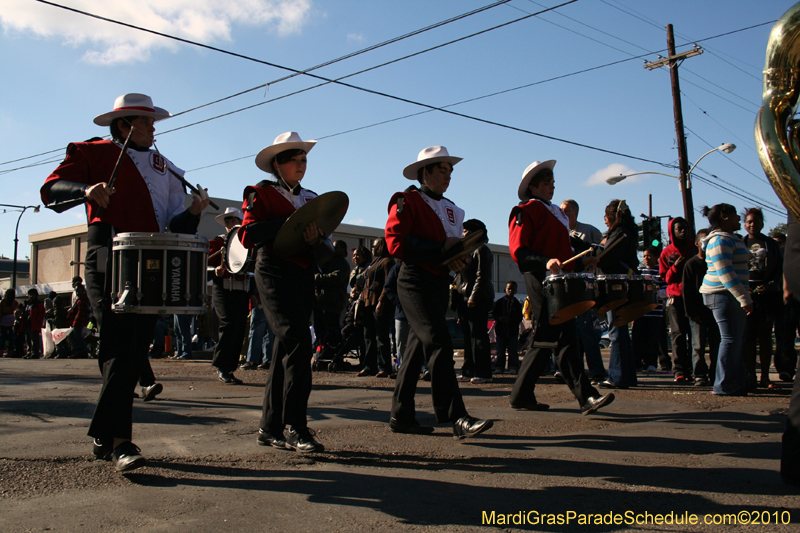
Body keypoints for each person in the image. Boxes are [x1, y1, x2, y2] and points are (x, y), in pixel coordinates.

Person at [40, 93, 210, 472]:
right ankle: (121, 443)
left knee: (130, 349)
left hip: (149, 261)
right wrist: (86, 191)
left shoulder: (165, 166)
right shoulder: (91, 151)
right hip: (107, 254)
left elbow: (174, 224)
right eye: (148, 123)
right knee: (120, 342)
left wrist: (195, 212)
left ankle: (105, 436)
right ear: (124, 125)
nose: (154, 130)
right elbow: (50, 191)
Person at [385, 145, 492, 438]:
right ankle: (456, 417)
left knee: (415, 351)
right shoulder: (406, 200)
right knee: (438, 341)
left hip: (438, 282)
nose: (448, 176)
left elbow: (453, 250)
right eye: (442, 170)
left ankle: (401, 416)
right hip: (413, 280)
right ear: (425, 172)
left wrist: (461, 258)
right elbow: (396, 244)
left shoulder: (454, 209)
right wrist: (439, 249)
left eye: (450, 171)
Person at [239, 131, 332, 453]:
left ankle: (269, 427)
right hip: (274, 271)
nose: (301, 165)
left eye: (304, 159)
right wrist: (290, 224)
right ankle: (296, 426)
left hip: (303, 274)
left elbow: (326, 251)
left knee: (284, 349)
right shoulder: (260, 193)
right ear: (277, 164)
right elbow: (248, 234)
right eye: (294, 159)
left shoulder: (311, 198)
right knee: (297, 342)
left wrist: (315, 240)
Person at [507, 159, 613, 415]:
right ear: (533, 187)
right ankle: (586, 396)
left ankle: (521, 394)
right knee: (563, 336)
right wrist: (546, 262)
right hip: (541, 278)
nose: (552, 187)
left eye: (553, 183)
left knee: (547, 337)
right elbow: (519, 250)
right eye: (546, 184)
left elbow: (565, 247)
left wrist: (582, 258)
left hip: (561, 279)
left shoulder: (557, 212)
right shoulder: (525, 210)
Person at [699, 204, 752, 396]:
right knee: (730, 339)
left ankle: (734, 382)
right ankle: (724, 384)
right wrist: (743, 297)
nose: (739, 219)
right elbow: (725, 273)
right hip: (723, 295)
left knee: (735, 340)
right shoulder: (719, 240)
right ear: (724, 217)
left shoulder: (728, 239)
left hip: (728, 295)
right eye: (735, 215)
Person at [560, 198, 606, 382]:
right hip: (565, 286)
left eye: (567, 211)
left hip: (584, 285)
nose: (564, 214)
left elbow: (603, 248)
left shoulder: (589, 230)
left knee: (586, 330)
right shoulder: (559, 231)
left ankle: (597, 371)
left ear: (576, 213)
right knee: (570, 332)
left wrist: (595, 259)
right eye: (561, 211)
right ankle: (573, 371)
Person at [596, 200, 640, 389]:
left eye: (607, 215)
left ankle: (617, 376)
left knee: (616, 329)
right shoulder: (627, 232)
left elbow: (605, 258)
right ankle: (627, 376)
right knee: (620, 329)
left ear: (614, 216)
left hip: (616, 287)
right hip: (624, 284)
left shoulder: (620, 233)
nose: (605, 219)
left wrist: (598, 250)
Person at [742, 207, 783, 389]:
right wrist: (745, 290)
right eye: (749, 221)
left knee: (765, 337)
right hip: (746, 295)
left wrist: (769, 286)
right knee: (749, 338)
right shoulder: (740, 243)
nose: (752, 225)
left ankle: (765, 377)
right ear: (745, 224)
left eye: (756, 222)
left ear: (762, 224)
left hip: (767, 296)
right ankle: (750, 376)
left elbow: (780, 270)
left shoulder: (771, 244)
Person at [208, 207, 249, 384]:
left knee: (239, 328)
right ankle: (222, 366)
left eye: (233, 219)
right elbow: (204, 264)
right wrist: (214, 270)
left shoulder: (247, 243)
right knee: (228, 324)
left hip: (242, 290)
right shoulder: (218, 243)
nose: (230, 223)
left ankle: (230, 368)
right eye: (228, 220)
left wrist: (254, 293)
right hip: (223, 288)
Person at [452, 219, 494, 383]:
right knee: (468, 336)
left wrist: (473, 297)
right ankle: (468, 370)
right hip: (464, 297)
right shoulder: (466, 251)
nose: (463, 234)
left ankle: (484, 373)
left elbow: (482, 276)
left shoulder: (482, 250)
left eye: (466, 231)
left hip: (477, 298)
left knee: (478, 335)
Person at [658, 217, 697, 383]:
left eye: (685, 228)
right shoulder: (667, 253)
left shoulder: (695, 248)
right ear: (671, 231)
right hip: (676, 297)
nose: (683, 231)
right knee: (678, 335)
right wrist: (676, 267)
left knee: (695, 335)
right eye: (679, 228)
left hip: (694, 296)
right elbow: (665, 278)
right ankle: (679, 370)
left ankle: (695, 369)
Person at [682, 228, 720, 387]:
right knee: (697, 346)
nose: (707, 243)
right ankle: (699, 375)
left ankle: (715, 374)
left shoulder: (716, 263)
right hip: (698, 313)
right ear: (697, 243)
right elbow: (687, 291)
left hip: (714, 311)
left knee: (716, 345)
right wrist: (691, 312)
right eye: (704, 240)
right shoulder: (691, 264)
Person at [358, 238, 396, 377]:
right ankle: (369, 366)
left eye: (375, 246)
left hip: (379, 304)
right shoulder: (375, 261)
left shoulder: (387, 261)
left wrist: (381, 301)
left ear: (382, 246)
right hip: (368, 303)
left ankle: (384, 367)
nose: (372, 249)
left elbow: (388, 284)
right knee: (368, 335)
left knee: (381, 336)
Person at [632, 246, 668, 373]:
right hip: (640, 312)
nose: (646, 258)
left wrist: (652, 293)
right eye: (644, 256)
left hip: (655, 312)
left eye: (649, 256)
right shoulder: (640, 271)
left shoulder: (660, 272)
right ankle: (637, 362)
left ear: (656, 257)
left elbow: (665, 291)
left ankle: (651, 363)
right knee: (637, 339)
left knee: (652, 339)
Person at [313, 240, 350, 352]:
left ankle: (330, 353)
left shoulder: (343, 264)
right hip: (321, 302)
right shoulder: (327, 261)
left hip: (333, 303)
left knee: (331, 331)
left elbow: (335, 278)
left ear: (343, 249)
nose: (333, 250)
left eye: (336, 247)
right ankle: (321, 352)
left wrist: (316, 277)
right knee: (319, 330)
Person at [493, 281, 523, 374]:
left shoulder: (517, 304)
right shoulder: (499, 302)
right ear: (505, 290)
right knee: (500, 350)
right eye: (508, 288)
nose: (510, 290)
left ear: (516, 290)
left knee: (513, 350)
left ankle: (513, 366)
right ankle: (499, 366)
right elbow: (494, 314)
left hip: (512, 331)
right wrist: (500, 318)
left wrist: (511, 321)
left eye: (512, 289)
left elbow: (519, 317)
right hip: (501, 330)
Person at [66, 284, 91, 359]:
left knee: (76, 337)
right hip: (79, 322)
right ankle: (81, 351)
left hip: (80, 322)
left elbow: (80, 313)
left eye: (78, 291)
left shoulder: (82, 301)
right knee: (76, 337)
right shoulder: (79, 300)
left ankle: (81, 351)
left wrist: (75, 322)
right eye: (76, 291)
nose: (77, 292)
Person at [21, 288, 45, 359]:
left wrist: (37, 322)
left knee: (34, 340)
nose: (31, 296)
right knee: (28, 339)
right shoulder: (28, 304)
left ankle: (35, 353)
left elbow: (41, 314)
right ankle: (29, 352)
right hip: (28, 324)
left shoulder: (39, 304)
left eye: (32, 295)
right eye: (30, 295)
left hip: (34, 324)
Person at [1, 289, 19, 357]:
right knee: (11, 337)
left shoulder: (3, 302)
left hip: (4, 318)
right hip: (12, 318)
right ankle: (10, 352)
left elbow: (0, 311)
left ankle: (1, 352)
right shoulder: (15, 302)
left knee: (3, 337)